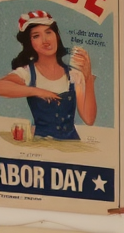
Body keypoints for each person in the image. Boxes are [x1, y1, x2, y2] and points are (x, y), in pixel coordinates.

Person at [0, 10, 97, 141]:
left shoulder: (74, 74)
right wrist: (37, 91)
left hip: (72, 144)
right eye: (36, 36)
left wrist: (88, 78)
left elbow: (89, 119)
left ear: (56, 35)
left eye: (48, 32)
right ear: (30, 43)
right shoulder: (27, 72)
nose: (45, 40)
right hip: (42, 145)